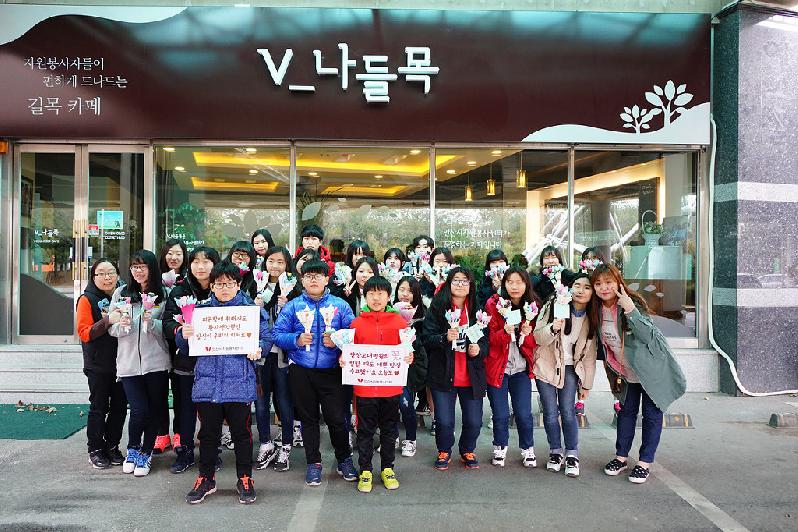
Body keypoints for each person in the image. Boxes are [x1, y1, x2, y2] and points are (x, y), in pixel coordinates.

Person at [176, 260, 270, 504]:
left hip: (239, 383)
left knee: (242, 434)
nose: (224, 288)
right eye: (219, 284)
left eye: (229, 284)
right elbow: (185, 348)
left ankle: (245, 478)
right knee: (207, 434)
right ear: (212, 287)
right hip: (207, 384)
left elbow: (267, 337)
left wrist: (259, 348)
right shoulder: (200, 312)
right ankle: (205, 478)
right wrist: (183, 335)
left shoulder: (250, 312)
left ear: (238, 285)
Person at [590, 263, 686, 484]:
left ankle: (644, 462)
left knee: (651, 415)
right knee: (626, 413)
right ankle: (621, 457)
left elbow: (647, 336)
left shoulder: (633, 303)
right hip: (625, 371)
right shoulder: (596, 310)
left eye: (608, 282)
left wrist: (630, 310)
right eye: (598, 284)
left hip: (651, 370)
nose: (604, 288)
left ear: (618, 283)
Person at [272, 259, 357, 487]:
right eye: (308, 276)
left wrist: (337, 340)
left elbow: (353, 333)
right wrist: (296, 339)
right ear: (302, 280)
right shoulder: (293, 306)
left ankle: (344, 459)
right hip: (302, 371)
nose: (313, 280)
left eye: (318, 276)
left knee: (337, 419)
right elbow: (277, 334)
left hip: (332, 371)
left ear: (327, 279)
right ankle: (313, 463)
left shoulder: (341, 305)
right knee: (308, 420)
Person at [345, 276, 415, 492]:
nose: (376, 298)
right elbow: (349, 352)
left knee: (389, 430)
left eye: (381, 294)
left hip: (391, 388)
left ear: (388, 296)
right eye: (371, 294)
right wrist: (344, 359)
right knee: (365, 431)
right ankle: (365, 470)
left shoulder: (399, 323)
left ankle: (387, 468)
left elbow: (408, 351)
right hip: (364, 389)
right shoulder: (356, 324)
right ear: (364, 296)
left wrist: (409, 356)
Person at [108, 250, 170, 477]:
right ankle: (133, 448)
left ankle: (146, 451)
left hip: (157, 362)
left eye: (143, 266)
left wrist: (152, 323)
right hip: (128, 363)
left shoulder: (164, 294)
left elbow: (170, 329)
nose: (138, 271)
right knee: (138, 409)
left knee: (154, 409)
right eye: (134, 267)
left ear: (152, 268)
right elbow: (111, 328)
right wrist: (122, 325)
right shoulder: (121, 293)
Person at [161, 246, 221, 474]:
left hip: (215, 364)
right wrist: (178, 331)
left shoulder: (222, 289)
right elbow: (167, 322)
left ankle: (211, 453)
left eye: (206, 261)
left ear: (215, 264)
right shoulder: (180, 291)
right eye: (196, 261)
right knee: (185, 411)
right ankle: (184, 452)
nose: (200, 266)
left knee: (211, 412)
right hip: (185, 364)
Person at [422, 267, 488, 471]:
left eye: (465, 280)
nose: (460, 284)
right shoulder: (438, 307)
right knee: (444, 421)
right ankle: (444, 450)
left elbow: (486, 341)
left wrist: (479, 349)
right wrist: (444, 338)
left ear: (471, 286)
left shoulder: (477, 310)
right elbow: (426, 338)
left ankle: (467, 449)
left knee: (474, 421)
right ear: (448, 284)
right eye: (456, 280)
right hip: (443, 373)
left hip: (471, 374)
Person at [533, 271, 598, 478]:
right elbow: (537, 338)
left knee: (568, 412)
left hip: (571, 369)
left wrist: (587, 385)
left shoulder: (592, 317)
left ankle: (572, 453)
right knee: (550, 413)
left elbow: (590, 355)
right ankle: (555, 451)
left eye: (587, 287)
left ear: (592, 293)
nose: (581, 291)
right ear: (569, 288)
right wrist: (553, 327)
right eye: (577, 285)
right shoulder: (553, 306)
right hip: (547, 364)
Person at [484, 266, 539, 469]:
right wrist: (505, 333)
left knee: (524, 414)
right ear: (504, 284)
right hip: (498, 367)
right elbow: (489, 338)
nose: (514, 286)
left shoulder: (533, 306)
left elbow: (535, 343)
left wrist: (527, 333)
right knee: (500, 414)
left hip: (521, 369)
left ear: (526, 284)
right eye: (510, 282)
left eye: (519, 282)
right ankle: (500, 447)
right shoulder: (493, 304)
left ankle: (528, 449)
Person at [254, 246, 302, 471]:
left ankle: (285, 446)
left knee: (284, 401)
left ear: (287, 265)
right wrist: (255, 307)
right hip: (260, 355)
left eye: (280, 262)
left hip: (284, 356)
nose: (275, 265)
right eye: (271, 260)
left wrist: (287, 306)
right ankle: (265, 443)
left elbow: (302, 322)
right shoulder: (255, 285)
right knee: (261, 402)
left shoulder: (295, 289)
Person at [77, 258, 126, 469]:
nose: (107, 277)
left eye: (111, 272)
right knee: (99, 407)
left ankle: (112, 446)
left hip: (123, 362)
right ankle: (95, 449)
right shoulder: (87, 299)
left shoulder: (124, 295)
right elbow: (84, 333)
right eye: (102, 273)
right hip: (98, 364)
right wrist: (108, 320)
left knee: (119, 408)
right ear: (93, 276)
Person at [155, 238, 188, 454]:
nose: (173, 257)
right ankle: (161, 434)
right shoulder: (155, 281)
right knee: (158, 391)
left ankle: (179, 433)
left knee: (179, 391)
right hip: (156, 343)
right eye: (169, 253)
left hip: (179, 344)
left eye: (178, 253)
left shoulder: (188, 281)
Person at [393, 276, 428, 458]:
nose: (405, 294)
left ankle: (410, 439)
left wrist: (410, 333)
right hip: (389, 366)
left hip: (411, 367)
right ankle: (391, 437)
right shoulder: (389, 312)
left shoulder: (422, 316)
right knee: (389, 405)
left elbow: (426, 342)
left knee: (405, 403)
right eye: (402, 289)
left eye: (410, 291)